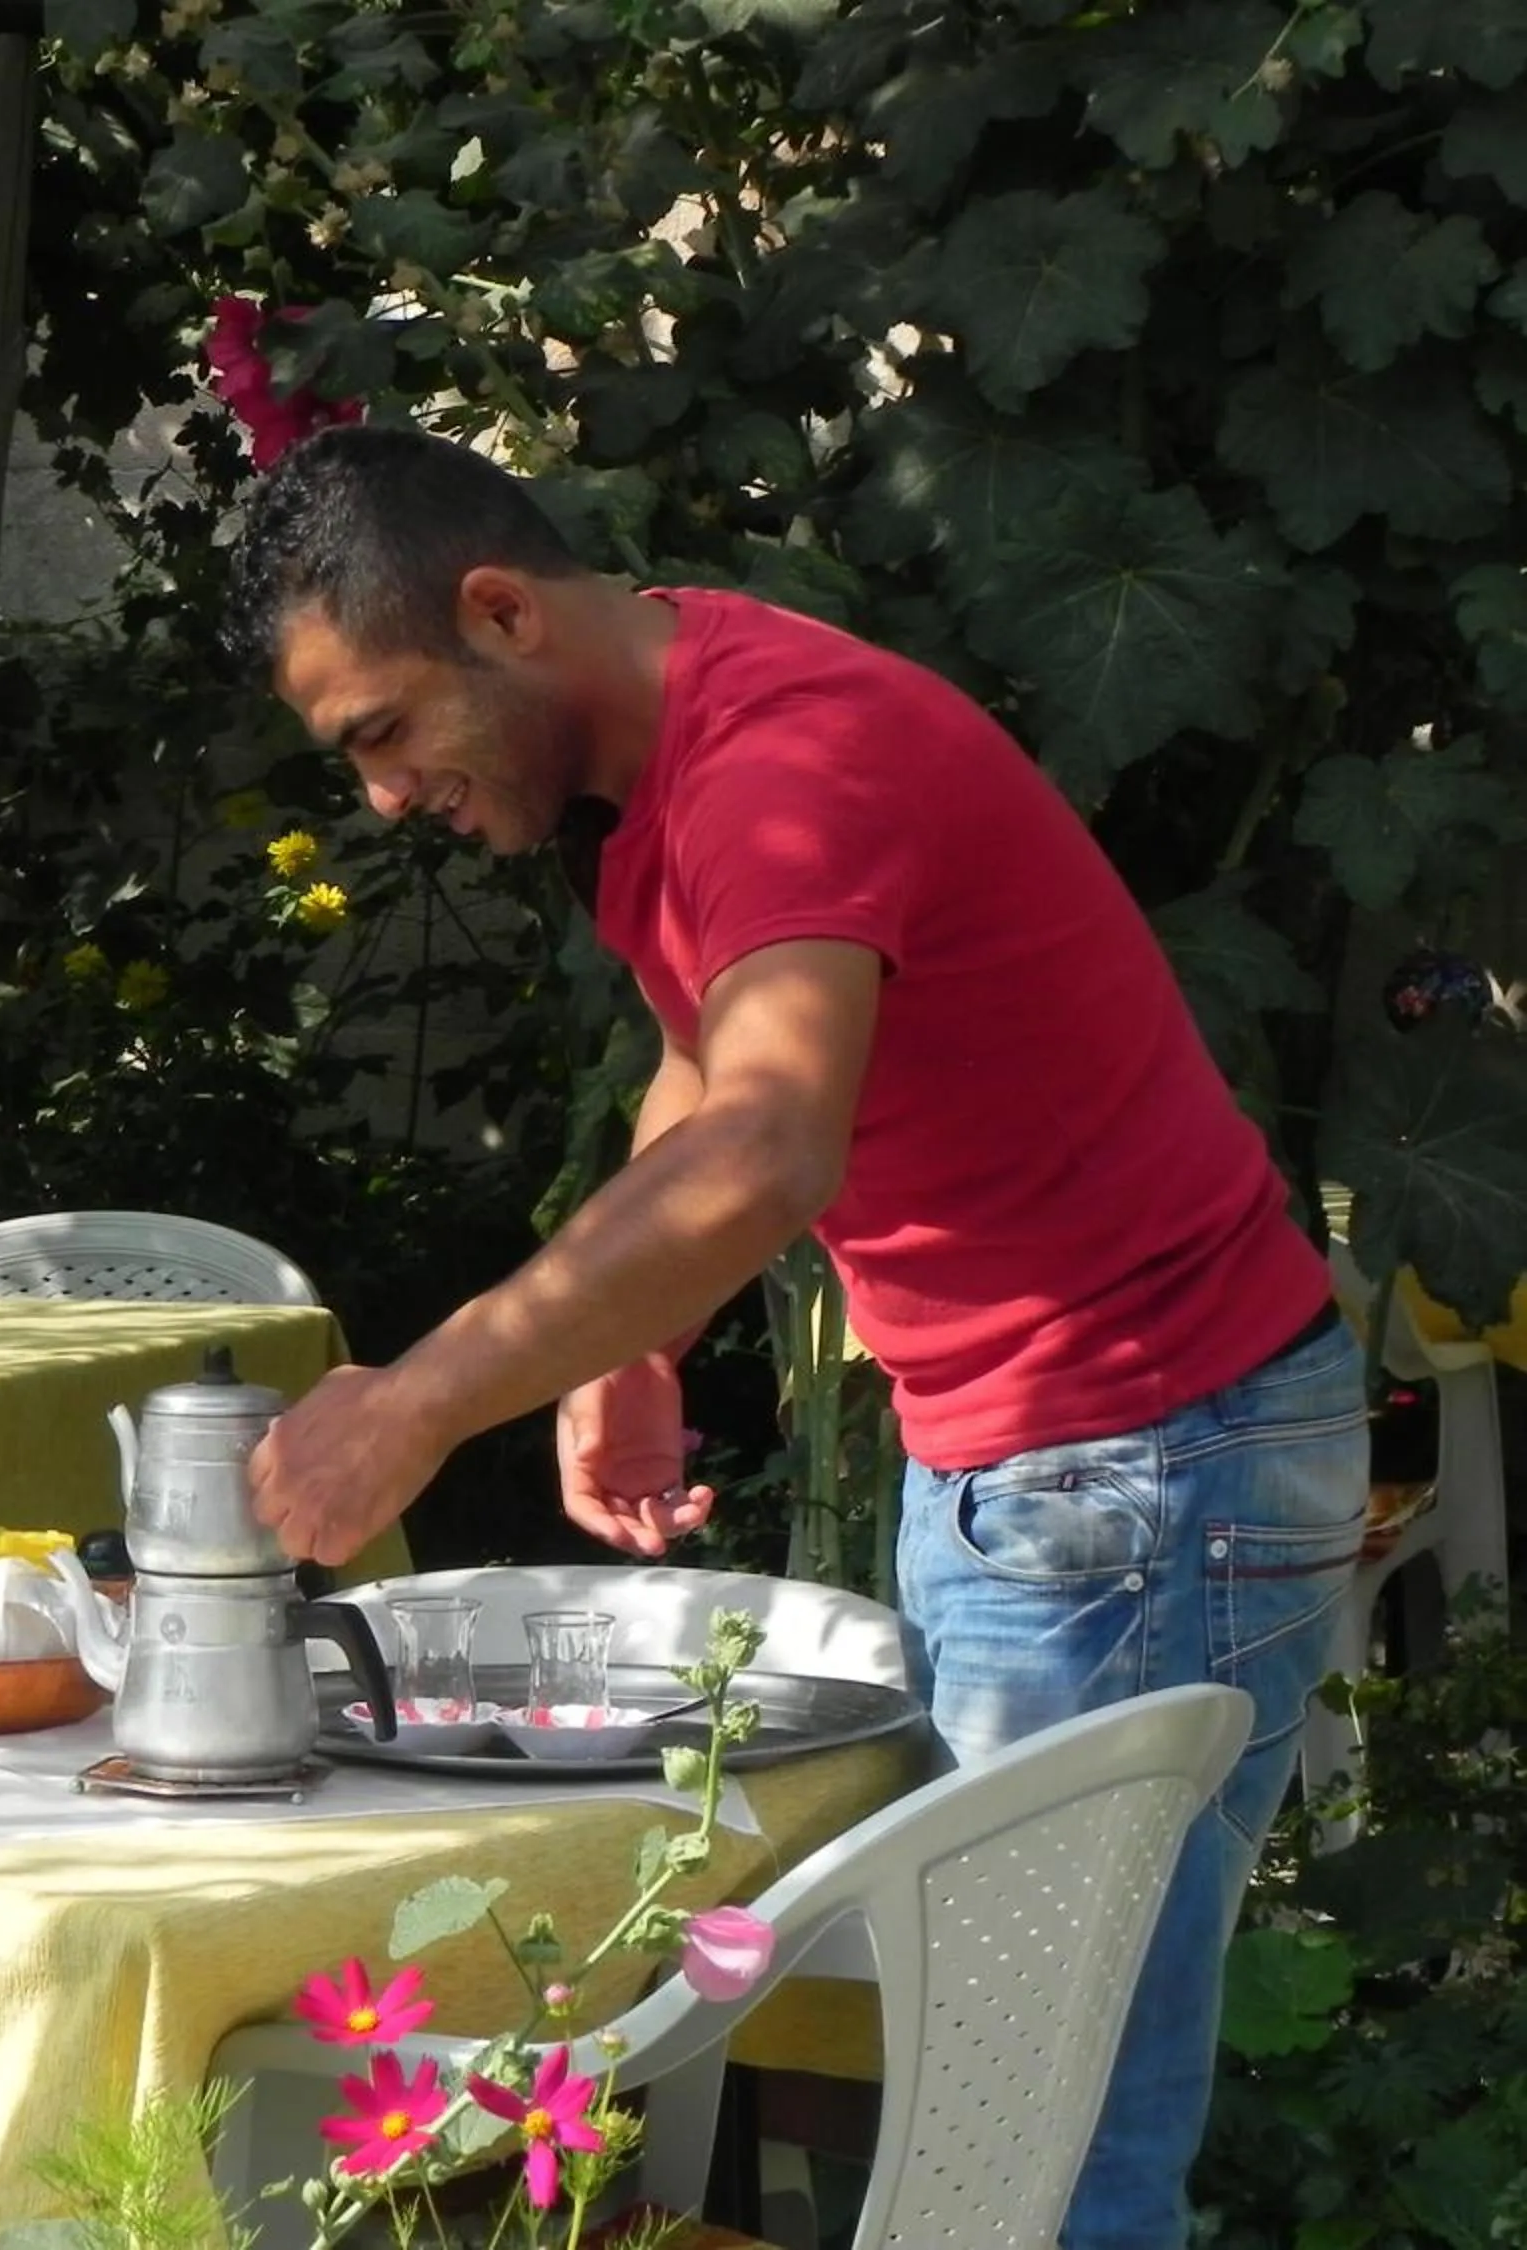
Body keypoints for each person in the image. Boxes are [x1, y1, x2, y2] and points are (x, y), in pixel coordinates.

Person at [223, 424, 1364, 2250]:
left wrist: (425, 1402)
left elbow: (769, 1144)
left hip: (1137, 1469)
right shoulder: (678, 741)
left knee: (1036, 2155)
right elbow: (715, 1054)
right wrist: (625, 1339)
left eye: (379, 731)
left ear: (499, 610)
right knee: (1019, 2115)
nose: (378, 797)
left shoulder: (779, 761)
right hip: (1086, 1466)